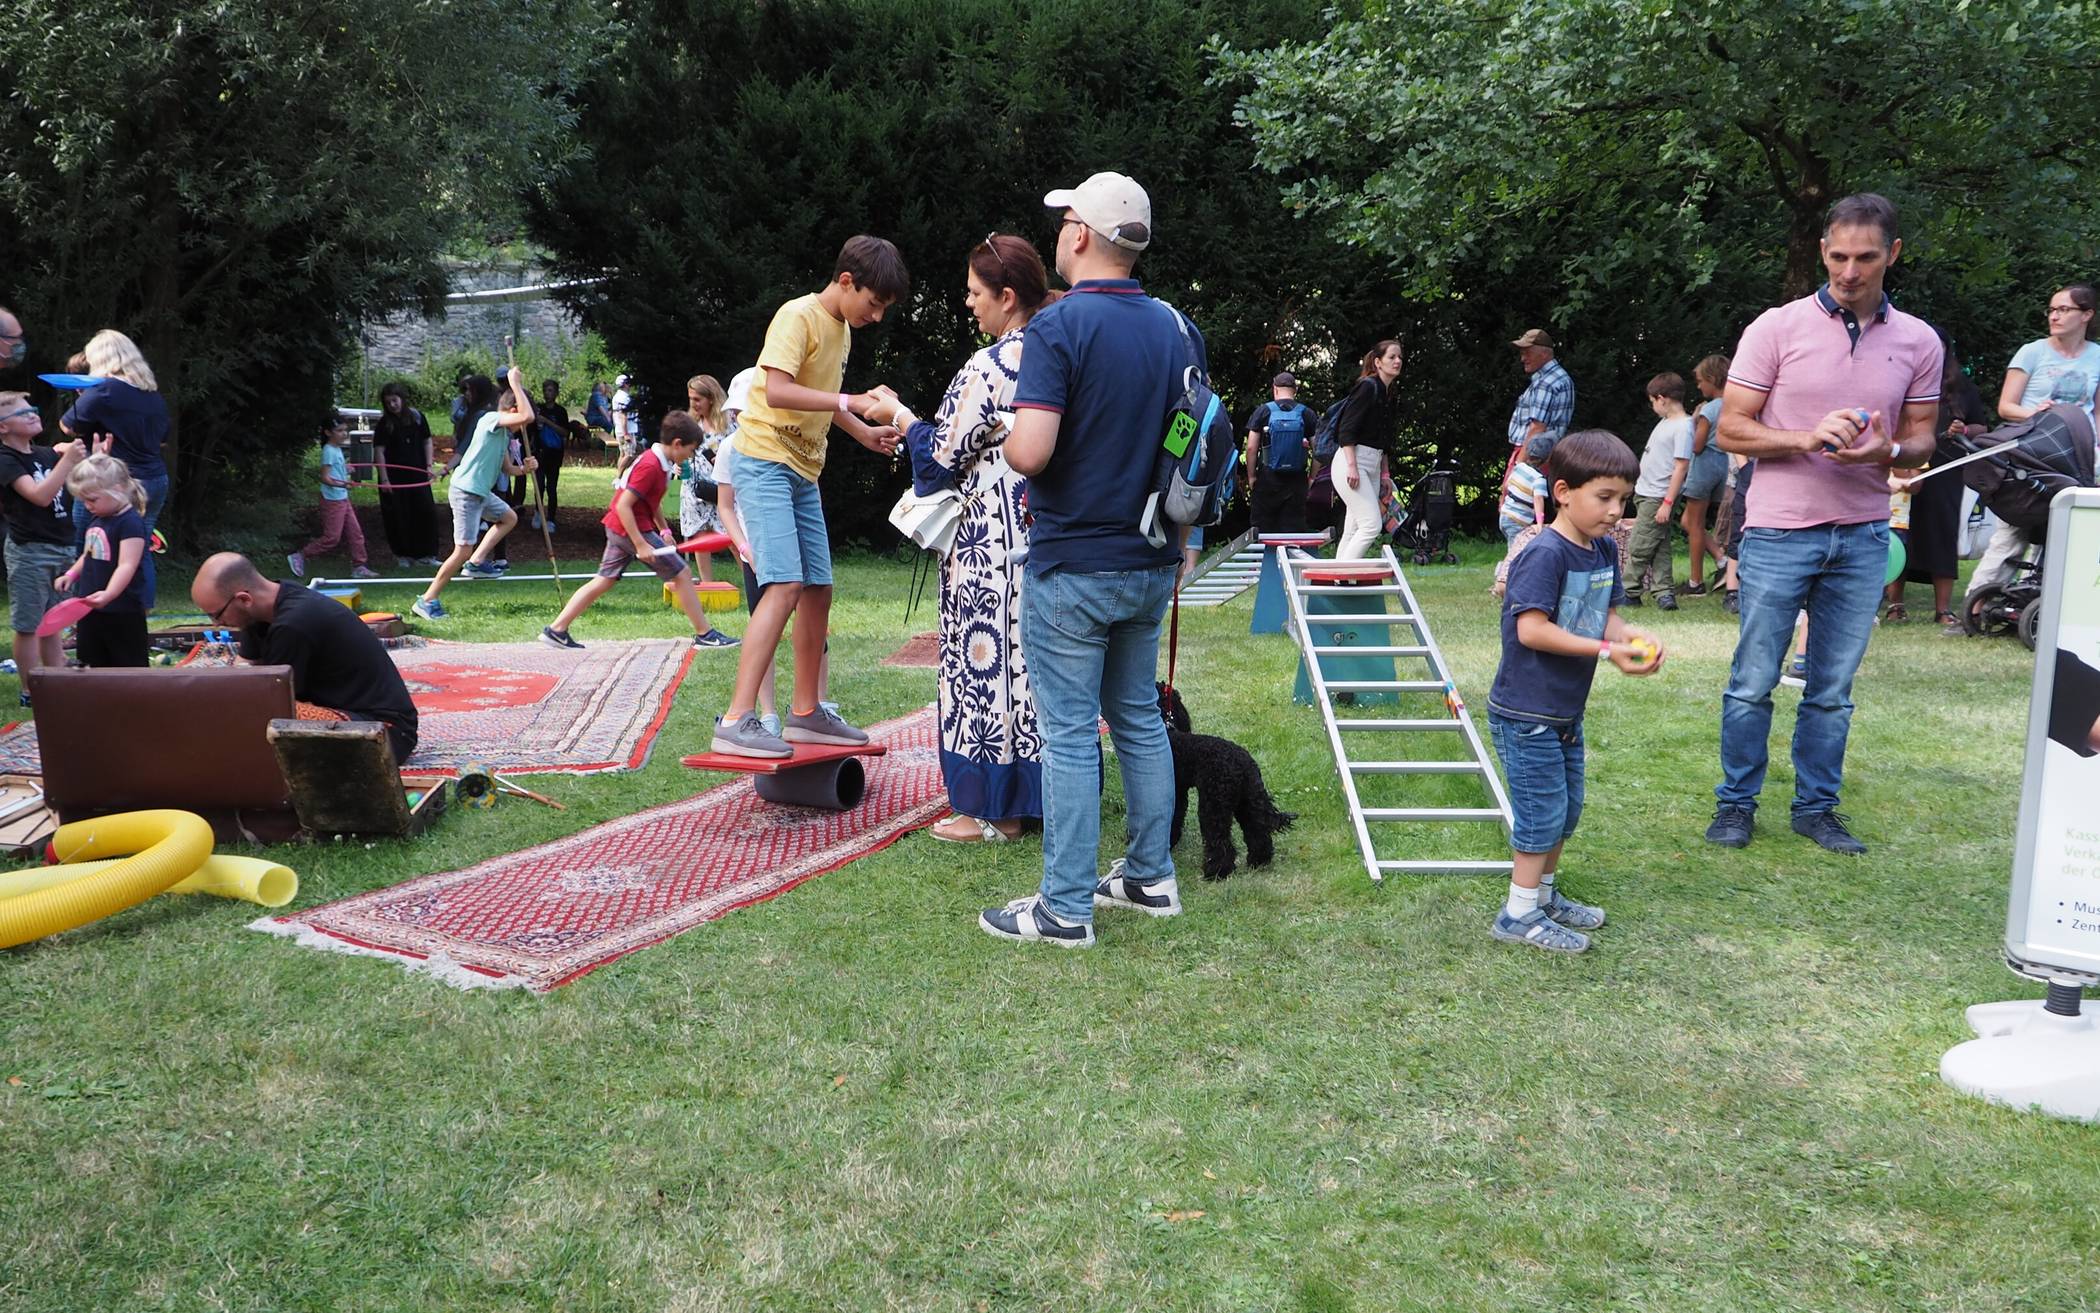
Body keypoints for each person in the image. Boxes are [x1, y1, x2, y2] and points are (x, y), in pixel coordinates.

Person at [977, 169, 1189, 948]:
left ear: (1077, 235)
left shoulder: (1057, 331)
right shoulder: (1174, 326)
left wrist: (994, 430)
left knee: (1068, 731)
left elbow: (1031, 451)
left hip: (1074, 565)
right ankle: (1149, 876)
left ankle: (1065, 908)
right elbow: (1190, 440)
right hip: (1152, 556)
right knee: (1136, 715)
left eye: (1064, 217)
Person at [1706, 193, 1942, 856]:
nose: (1849, 270)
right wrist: (1809, 437)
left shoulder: (1918, 340)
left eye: (1865, 257)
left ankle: (1817, 808)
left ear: (1892, 254)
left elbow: (1924, 439)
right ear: (1822, 251)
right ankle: (1735, 805)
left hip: (1865, 532)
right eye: (1838, 255)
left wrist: (1888, 451)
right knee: (1753, 680)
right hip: (1781, 528)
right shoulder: (1775, 328)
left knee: (1832, 690)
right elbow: (1731, 428)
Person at [864, 233, 1055, 844]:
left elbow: (939, 460)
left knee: (986, 665)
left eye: (975, 294)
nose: (968, 304)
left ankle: (993, 811)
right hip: (1047, 534)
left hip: (989, 544)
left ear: (1005, 296)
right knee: (1037, 668)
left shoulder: (993, 364)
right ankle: (1041, 799)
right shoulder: (1060, 353)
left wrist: (899, 415)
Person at [706, 236, 907, 758]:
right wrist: (852, 399)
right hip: (765, 461)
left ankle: (805, 714)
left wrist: (861, 431)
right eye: (874, 303)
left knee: (819, 586)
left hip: (802, 471)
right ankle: (736, 718)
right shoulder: (797, 316)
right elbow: (776, 389)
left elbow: (821, 397)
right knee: (786, 584)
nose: (878, 316)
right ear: (846, 281)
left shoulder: (841, 329)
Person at [1486, 429, 1663, 952]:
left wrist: (1633, 638)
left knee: (1566, 810)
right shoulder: (1544, 553)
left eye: (1623, 499)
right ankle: (1517, 916)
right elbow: (1531, 630)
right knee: (1541, 813)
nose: (1615, 510)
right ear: (1563, 491)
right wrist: (1608, 654)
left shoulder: (1603, 549)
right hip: (1525, 711)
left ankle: (1542, 895)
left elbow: (1603, 616)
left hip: (1564, 712)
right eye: (1604, 497)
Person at [189, 553, 421, 762]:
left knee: (260, 713)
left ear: (243, 599)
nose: (216, 624)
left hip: (383, 732)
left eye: (216, 615)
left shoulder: (293, 625)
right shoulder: (261, 610)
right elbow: (245, 669)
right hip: (346, 715)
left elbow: (272, 701)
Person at [540, 411, 737, 652]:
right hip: (628, 528)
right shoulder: (651, 465)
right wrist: (641, 544)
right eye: (691, 449)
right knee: (682, 574)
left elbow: (650, 502)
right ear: (677, 444)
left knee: (604, 579)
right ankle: (705, 634)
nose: (691, 456)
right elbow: (624, 505)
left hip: (621, 527)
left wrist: (664, 529)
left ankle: (556, 630)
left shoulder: (661, 462)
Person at [1963, 284, 2100, 620]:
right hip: (2032, 453)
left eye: (2064, 310)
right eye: (2051, 309)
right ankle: (1975, 605)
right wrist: (2038, 413)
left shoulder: (2096, 356)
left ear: (2087, 315)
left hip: (2080, 456)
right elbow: (2006, 407)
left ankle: (2043, 600)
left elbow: (2095, 413)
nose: (2054, 316)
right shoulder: (2032, 353)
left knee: (2068, 529)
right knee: (2014, 528)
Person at [412, 368, 538, 621]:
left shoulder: (502, 435)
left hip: (479, 492)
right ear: (512, 412)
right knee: (461, 550)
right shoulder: (491, 419)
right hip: (466, 491)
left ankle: (478, 562)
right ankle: (427, 600)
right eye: (520, 421)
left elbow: (507, 468)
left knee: (509, 517)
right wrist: (514, 383)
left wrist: (524, 468)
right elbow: (528, 415)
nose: (523, 425)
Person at [58, 330, 171, 605]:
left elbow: (68, 425)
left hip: (115, 483)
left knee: (91, 545)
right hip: (155, 479)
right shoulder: (151, 394)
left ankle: (82, 613)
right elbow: (164, 439)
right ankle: (138, 610)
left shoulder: (104, 390)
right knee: (139, 548)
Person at [1887, 337, 1986, 632]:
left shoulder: (1962, 387)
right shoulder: (1902, 377)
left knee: (1942, 534)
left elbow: (1982, 426)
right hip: (1904, 462)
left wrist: (1964, 429)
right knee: (1899, 531)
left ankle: (1943, 609)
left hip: (1946, 467)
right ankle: (1895, 605)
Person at [0, 392, 87, 694]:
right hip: (30, 552)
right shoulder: (6, 460)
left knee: (52, 623)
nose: (33, 414)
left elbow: (80, 481)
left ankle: (56, 684)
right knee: (29, 625)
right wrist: (66, 460)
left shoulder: (45, 454)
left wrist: (92, 456)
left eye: (33, 409)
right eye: (22, 413)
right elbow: (39, 496)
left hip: (63, 546)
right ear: (2, 428)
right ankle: (29, 690)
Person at [54, 454, 151, 667]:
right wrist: (71, 574)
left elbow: (128, 564)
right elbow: (89, 553)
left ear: (117, 489)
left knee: (127, 665)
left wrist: (110, 594)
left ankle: (131, 701)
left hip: (122, 610)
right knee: (90, 662)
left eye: (92, 499)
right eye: (83, 500)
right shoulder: (99, 517)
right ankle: (95, 699)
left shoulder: (130, 523)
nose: (87, 506)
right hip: (89, 606)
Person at [1623, 372, 1694, 610]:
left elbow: (1681, 466)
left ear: (1662, 398)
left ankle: (1628, 591)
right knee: (1658, 545)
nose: (1652, 406)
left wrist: (1667, 501)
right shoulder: (1666, 422)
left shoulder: (1683, 426)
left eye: (1652, 401)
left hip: (1658, 495)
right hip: (1647, 492)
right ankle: (1664, 594)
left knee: (1640, 545)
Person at [1332, 340, 1403, 560]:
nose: (1398, 361)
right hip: (1351, 461)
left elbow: (1383, 442)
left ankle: (1338, 582)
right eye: (1392, 357)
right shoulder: (1367, 387)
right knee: (1371, 525)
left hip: (1371, 465)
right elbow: (1346, 430)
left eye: (1400, 357)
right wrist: (1352, 467)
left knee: (1354, 528)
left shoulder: (1387, 392)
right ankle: (1341, 576)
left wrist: (1384, 474)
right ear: (1378, 362)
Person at [288, 414, 377, 580]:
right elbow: (325, 478)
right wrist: (344, 484)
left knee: (355, 533)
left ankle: (360, 566)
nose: (344, 434)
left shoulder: (336, 449)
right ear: (329, 433)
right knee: (332, 538)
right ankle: (300, 555)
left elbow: (336, 470)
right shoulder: (329, 450)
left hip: (342, 498)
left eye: (345, 430)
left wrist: (345, 469)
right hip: (332, 500)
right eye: (339, 431)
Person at [372, 382, 441, 565]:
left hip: (417, 473)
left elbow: (427, 441)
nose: (392, 405)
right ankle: (403, 555)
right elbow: (379, 451)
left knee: (425, 511)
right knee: (398, 515)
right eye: (388, 402)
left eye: (395, 400)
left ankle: (427, 554)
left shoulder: (417, 418)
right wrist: (384, 479)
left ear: (402, 399)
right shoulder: (384, 424)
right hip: (394, 476)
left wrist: (428, 466)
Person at [1682, 355, 1733, 595]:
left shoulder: (1709, 409)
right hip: (1723, 465)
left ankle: (1695, 582)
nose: (1699, 386)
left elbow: (1697, 445)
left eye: (1701, 381)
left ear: (1713, 380)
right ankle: (1721, 560)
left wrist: (1694, 422)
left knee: (1694, 524)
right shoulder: (1734, 405)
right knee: (1688, 521)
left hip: (1704, 465)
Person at [1503, 328, 1576, 497]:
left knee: (1514, 505)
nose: (1522, 358)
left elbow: (1537, 428)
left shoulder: (1546, 383)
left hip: (1532, 454)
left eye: (1527, 352)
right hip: (1549, 453)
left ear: (1544, 353)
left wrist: (1518, 467)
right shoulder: (1561, 377)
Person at [1245, 372, 1312, 533]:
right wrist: (1312, 477)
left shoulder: (1263, 411)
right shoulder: (1306, 413)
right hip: (1296, 481)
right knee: (1293, 532)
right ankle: (1290, 557)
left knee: (1262, 531)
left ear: (1274, 389)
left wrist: (1251, 476)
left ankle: (1263, 558)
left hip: (1267, 480)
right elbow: (1318, 449)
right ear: (1295, 390)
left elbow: (1251, 448)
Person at [677, 374, 729, 586]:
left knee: (733, 536)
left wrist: (725, 460)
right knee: (699, 537)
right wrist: (679, 465)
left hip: (722, 487)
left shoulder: (730, 423)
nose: (693, 404)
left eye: (697, 399)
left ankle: (754, 580)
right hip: (693, 488)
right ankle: (707, 585)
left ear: (712, 398)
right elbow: (679, 453)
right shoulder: (689, 424)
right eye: (691, 398)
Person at [530, 379, 569, 532]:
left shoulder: (560, 412)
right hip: (540, 452)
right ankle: (538, 512)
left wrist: (547, 422)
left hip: (555, 453)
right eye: (546, 390)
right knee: (539, 485)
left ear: (556, 393)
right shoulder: (538, 409)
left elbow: (564, 432)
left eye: (551, 390)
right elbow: (532, 429)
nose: (548, 393)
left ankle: (551, 519)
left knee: (552, 487)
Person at [1497, 435, 1550, 547]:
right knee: (1516, 552)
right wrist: (1540, 524)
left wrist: (1502, 504)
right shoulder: (1539, 479)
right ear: (1547, 460)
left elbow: (1506, 486)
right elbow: (1538, 500)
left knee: (1517, 549)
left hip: (1505, 516)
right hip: (1518, 522)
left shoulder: (1519, 467)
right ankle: (1508, 565)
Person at [611, 374, 641, 477]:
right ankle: (619, 476)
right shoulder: (624, 397)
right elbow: (623, 415)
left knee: (623, 454)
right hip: (626, 430)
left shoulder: (617, 396)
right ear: (625, 384)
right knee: (629, 454)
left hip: (620, 429)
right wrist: (626, 433)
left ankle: (620, 477)